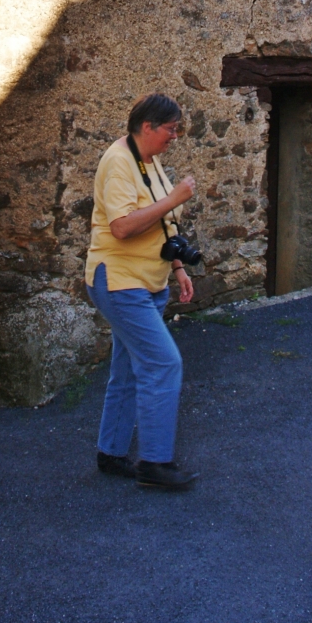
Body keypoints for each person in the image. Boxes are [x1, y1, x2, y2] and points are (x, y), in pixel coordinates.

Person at [85, 93, 198, 490]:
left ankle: (111, 453)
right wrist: (174, 198)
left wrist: (179, 268)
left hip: (148, 281)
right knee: (163, 363)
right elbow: (121, 227)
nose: (175, 136)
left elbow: (164, 222)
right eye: (170, 129)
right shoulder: (118, 162)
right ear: (147, 126)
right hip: (119, 281)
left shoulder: (148, 159)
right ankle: (154, 463)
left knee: (129, 369)